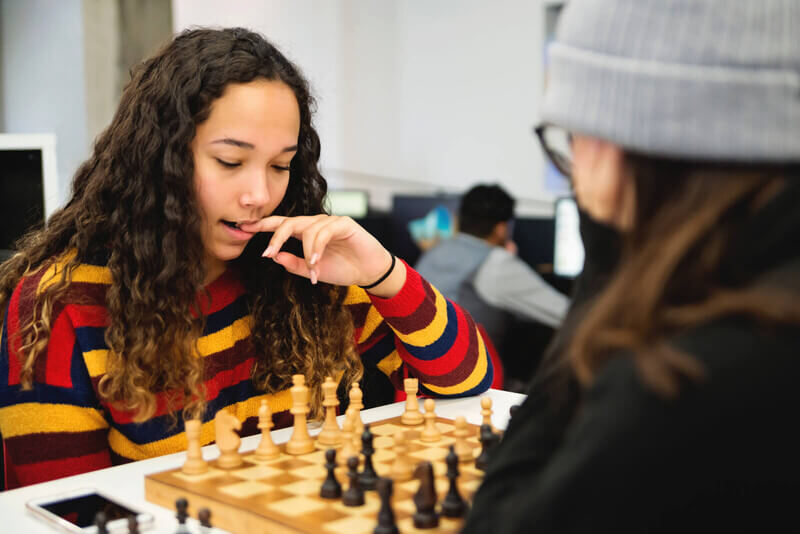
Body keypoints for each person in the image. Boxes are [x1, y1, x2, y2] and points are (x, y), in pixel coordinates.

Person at [0, 28, 494, 490]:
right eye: (230, 162)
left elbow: (474, 388)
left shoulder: (308, 275)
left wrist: (385, 275)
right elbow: (62, 510)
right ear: (159, 158)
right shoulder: (62, 307)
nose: (260, 194)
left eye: (281, 165)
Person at [465, 1, 800, 532]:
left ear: (613, 141)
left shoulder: (675, 378)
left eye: (570, 141)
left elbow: (497, 521)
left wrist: (606, 267)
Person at [416, 184, 568, 388]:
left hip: (415, 383)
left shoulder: (433, 252)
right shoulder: (495, 264)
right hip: (468, 387)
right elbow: (564, 313)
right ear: (501, 228)